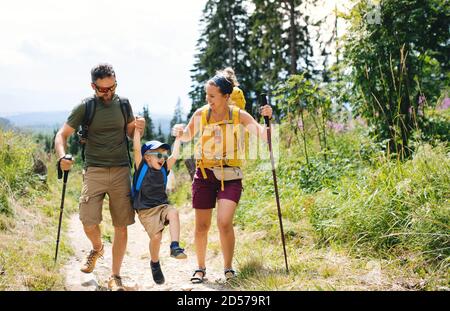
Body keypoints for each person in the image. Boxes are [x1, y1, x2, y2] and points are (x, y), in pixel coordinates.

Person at [171, 68, 273, 283]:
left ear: (227, 97)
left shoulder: (239, 115)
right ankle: (200, 268)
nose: (208, 100)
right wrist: (180, 131)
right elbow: (189, 134)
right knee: (202, 226)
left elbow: (263, 134)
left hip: (231, 175)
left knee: (224, 222)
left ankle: (228, 268)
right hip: (204, 174)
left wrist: (268, 120)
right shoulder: (202, 114)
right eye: (206, 95)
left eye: (212, 96)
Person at [54, 63, 145, 291]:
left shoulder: (123, 104)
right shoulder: (85, 107)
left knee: (121, 225)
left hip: (121, 169)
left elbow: (131, 132)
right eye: (103, 89)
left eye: (112, 87)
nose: (108, 93)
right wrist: (63, 155)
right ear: (93, 86)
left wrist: (138, 127)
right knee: (87, 219)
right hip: (93, 169)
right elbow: (61, 135)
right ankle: (97, 247)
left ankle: (115, 276)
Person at [131, 127, 187, 285]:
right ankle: (154, 263)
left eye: (164, 155)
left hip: (162, 205)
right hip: (146, 210)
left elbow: (175, 156)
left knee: (174, 213)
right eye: (159, 154)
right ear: (147, 157)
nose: (163, 158)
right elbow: (136, 148)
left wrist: (178, 138)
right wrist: (137, 130)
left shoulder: (163, 169)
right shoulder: (141, 167)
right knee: (156, 237)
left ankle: (175, 247)